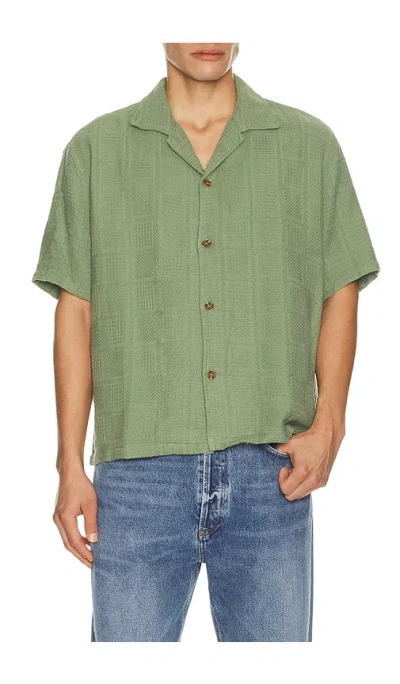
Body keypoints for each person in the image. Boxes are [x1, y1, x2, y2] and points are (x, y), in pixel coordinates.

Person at [31, 43, 380, 642]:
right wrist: (69, 464)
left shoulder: (308, 145)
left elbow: (339, 287)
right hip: (137, 479)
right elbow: (76, 312)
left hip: (271, 473)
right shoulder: (95, 150)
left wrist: (330, 425)